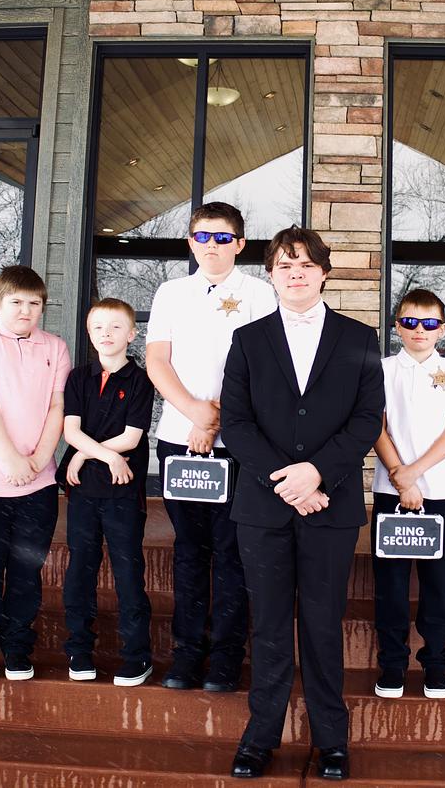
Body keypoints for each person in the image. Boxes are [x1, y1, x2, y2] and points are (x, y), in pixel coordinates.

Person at [221, 226, 384, 781]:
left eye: (307, 265)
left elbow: (367, 419)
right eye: (285, 265)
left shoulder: (360, 338)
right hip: (263, 508)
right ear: (271, 274)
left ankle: (331, 741)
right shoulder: (247, 339)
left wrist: (317, 473)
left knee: (322, 624)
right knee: (268, 626)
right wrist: (286, 481)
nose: (296, 274)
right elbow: (236, 422)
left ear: (324, 272)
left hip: (330, 506)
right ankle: (259, 738)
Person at [145, 201, 277, 691]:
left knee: (230, 550)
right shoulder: (170, 292)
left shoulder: (260, 293)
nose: (212, 246)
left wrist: (216, 417)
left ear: (239, 244)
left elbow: (263, 366)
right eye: (203, 236)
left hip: (236, 443)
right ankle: (186, 654)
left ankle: (225, 657)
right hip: (178, 441)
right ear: (190, 242)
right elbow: (158, 361)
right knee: (189, 550)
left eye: (223, 238)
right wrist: (195, 413)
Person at [0, 265, 70, 683]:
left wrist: (38, 460)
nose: (25, 310)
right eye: (16, 302)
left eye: (34, 303)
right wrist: (10, 459)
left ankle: (19, 647)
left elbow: (57, 407)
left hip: (37, 483)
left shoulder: (55, 347)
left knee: (26, 572)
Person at [371, 288, 445, 701]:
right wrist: (402, 478)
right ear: (397, 326)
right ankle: (393, 664)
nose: (419, 330)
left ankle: (435, 664)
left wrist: (415, 474)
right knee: (391, 586)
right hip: (390, 492)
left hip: (441, 494)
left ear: (442, 329)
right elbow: (375, 426)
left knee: (437, 586)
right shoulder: (380, 369)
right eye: (410, 322)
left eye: (429, 323)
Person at [57, 298, 154, 686]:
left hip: (122, 493)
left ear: (131, 334)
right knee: (80, 570)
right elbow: (71, 430)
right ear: (89, 333)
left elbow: (131, 438)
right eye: (98, 327)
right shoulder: (79, 377)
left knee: (128, 573)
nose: (106, 334)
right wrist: (102, 456)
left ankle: (137, 656)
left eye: (115, 327)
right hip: (84, 492)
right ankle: (79, 651)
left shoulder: (140, 380)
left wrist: (85, 455)